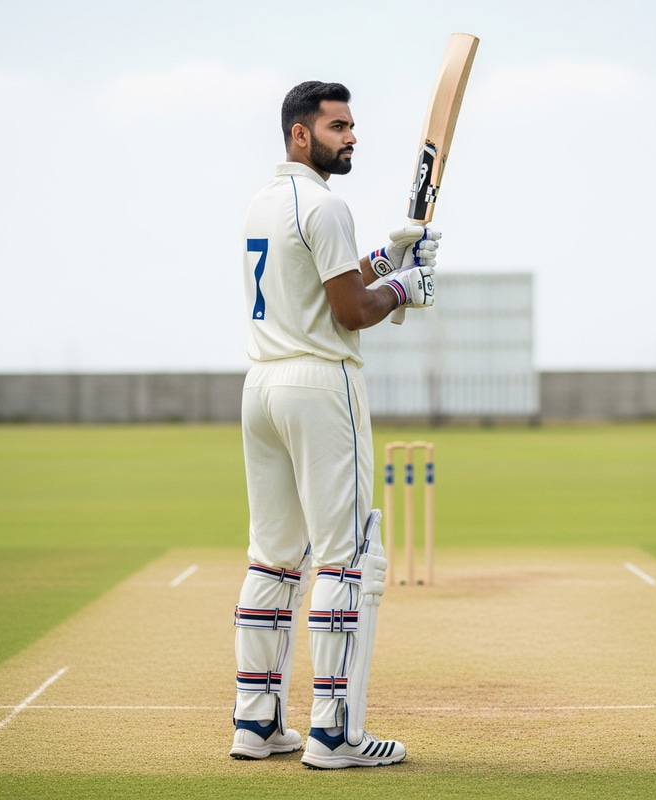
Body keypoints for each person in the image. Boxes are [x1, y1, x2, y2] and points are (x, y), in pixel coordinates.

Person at [229, 80, 440, 770]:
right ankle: (334, 733)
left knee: (273, 557)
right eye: (338, 126)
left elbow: (324, 286)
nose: (351, 137)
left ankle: (257, 723)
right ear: (300, 134)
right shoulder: (326, 205)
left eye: (351, 126)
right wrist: (404, 288)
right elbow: (350, 312)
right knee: (346, 558)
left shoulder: (264, 203)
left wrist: (386, 260)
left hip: (262, 386)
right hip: (322, 385)